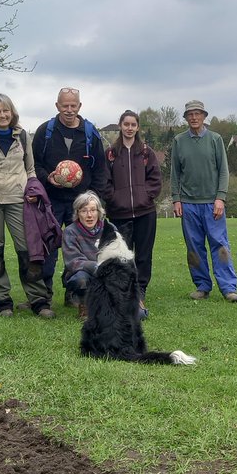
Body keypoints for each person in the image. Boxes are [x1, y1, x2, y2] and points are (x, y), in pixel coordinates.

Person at [0, 93, 55, 318]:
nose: (2, 115)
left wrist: (33, 190)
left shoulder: (23, 137)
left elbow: (31, 170)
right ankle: (2, 302)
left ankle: (38, 300)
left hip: (19, 201)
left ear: (12, 113)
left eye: (6, 111)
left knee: (29, 250)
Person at [32, 87, 108, 308]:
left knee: (81, 248)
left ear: (80, 106)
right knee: (48, 247)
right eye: (64, 106)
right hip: (51, 201)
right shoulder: (44, 132)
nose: (69, 110)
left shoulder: (90, 133)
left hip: (81, 202)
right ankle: (44, 294)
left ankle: (74, 292)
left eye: (73, 106)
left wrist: (93, 199)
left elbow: (101, 169)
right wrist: (48, 178)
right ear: (57, 106)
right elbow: (33, 165)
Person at [170, 99, 237, 302]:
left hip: (212, 204)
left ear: (204, 116)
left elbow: (224, 171)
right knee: (194, 248)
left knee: (220, 245)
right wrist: (176, 199)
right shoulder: (178, 141)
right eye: (190, 114)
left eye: (197, 114)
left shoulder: (215, 139)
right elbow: (175, 173)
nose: (194, 117)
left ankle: (228, 288)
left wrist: (221, 198)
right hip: (189, 204)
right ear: (185, 118)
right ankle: (202, 286)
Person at [102, 110, 161, 319]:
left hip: (145, 212)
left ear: (138, 127)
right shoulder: (110, 153)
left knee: (144, 255)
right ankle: (122, 290)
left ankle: (140, 290)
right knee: (121, 255)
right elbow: (104, 182)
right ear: (120, 125)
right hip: (119, 214)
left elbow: (155, 180)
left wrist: (146, 197)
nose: (129, 128)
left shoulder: (146, 153)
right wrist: (115, 199)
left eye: (133, 125)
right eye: (126, 124)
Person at [61, 191, 109, 320]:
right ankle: (85, 305)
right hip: (83, 273)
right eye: (84, 211)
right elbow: (74, 261)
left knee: (138, 315)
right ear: (77, 214)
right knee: (80, 280)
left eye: (93, 210)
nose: (89, 215)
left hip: (107, 271)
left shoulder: (109, 229)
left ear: (99, 212)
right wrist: (98, 267)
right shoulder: (70, 231)